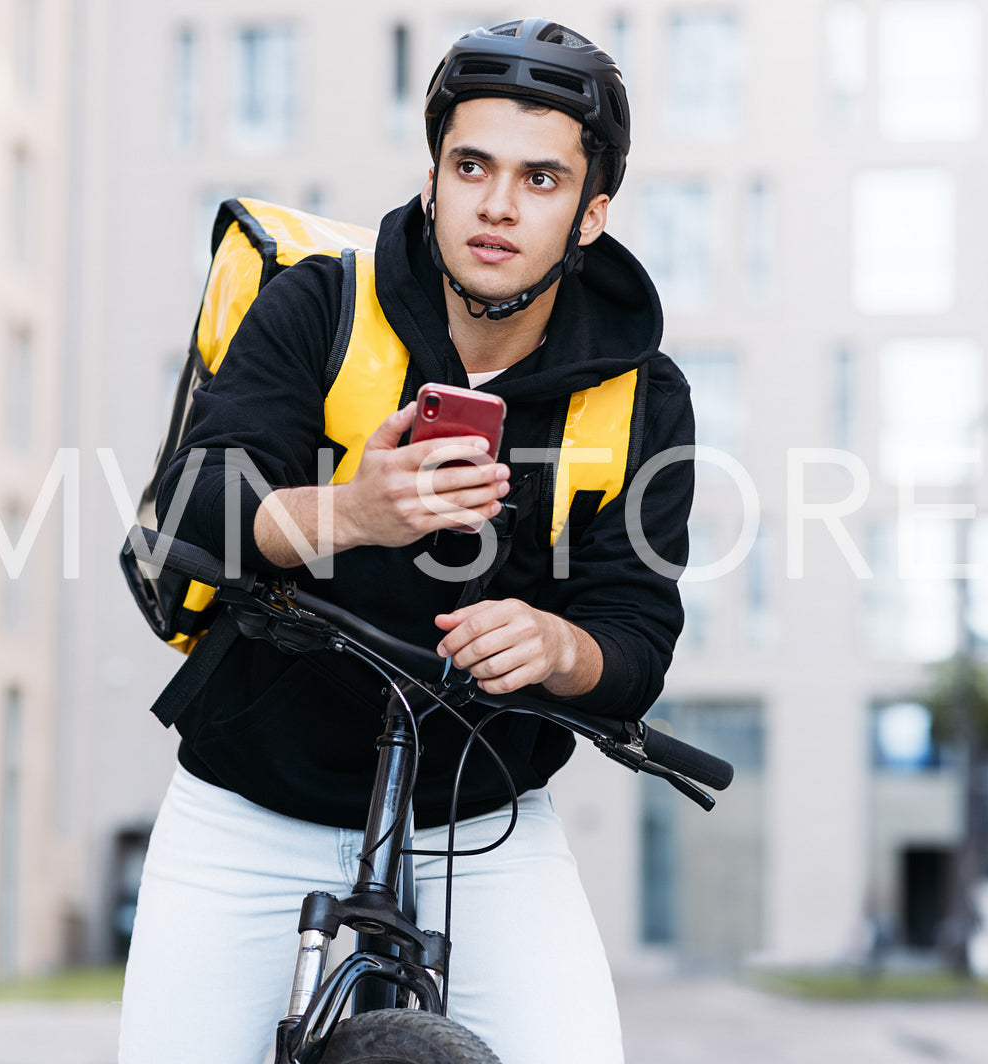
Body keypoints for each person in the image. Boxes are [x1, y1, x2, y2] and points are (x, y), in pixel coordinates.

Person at [118, 18, 695, 1064]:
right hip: (248, 802)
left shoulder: (636, 396)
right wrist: (351, 513)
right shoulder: (321, 304)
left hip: (482, 818)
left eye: (539, 178)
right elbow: (195, 507)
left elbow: (636, 631)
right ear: (431, 179)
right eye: (469, 165)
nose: (496, 204)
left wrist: (558, 647)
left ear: (589, 213)